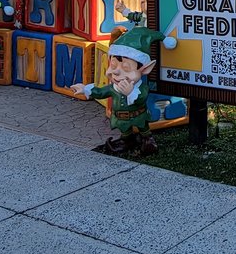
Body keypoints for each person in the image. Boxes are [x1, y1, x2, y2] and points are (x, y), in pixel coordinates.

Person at [73, 24, 177, 157]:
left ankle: (147, 140)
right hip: (121, 118)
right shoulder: (114, 88)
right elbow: (101, 92)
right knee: (125, 130)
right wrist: (85, 89)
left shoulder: (140, 88)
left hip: (139, 115)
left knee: (143, 128)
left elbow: (141, 98)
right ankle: (126, 141)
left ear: (144, 69)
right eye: (114, 65)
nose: (116, 72)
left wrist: (131, 93)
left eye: (126, 68)